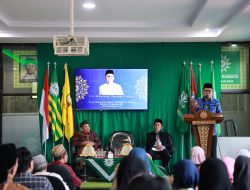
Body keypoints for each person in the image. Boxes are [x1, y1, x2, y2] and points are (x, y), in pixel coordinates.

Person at [195, 83, 223, 158]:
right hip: (201, 131)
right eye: (205, 91)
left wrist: (213, 116)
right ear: (203, 92)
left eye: (209, 91)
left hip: (212, 131)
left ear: (212, 92)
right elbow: (192, 114)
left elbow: (220, 115)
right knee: (201, 153)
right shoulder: (198, 101)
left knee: (213, 153)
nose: (207, 92)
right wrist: (193, 107)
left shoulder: (216, 102)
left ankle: (213, 169)